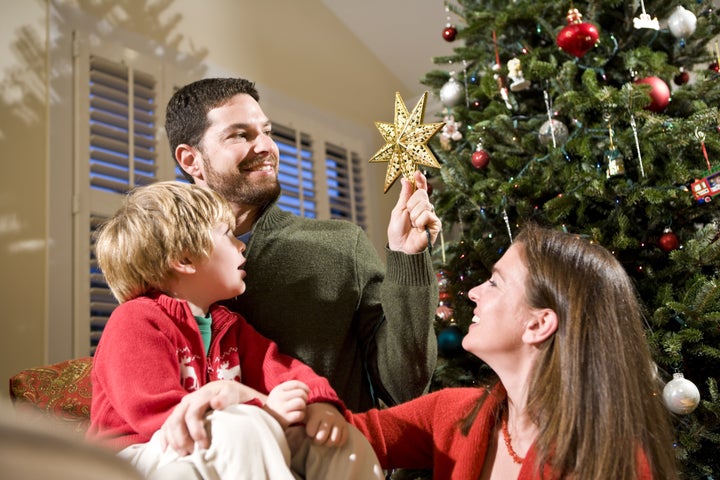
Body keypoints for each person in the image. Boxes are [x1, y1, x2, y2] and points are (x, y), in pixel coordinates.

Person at [165, 77, 442, 412]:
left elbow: (406, 387)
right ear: (190, 160)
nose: (267, 146)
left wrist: (407, 257)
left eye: (266, 131)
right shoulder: (163, 266)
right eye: (241, 134)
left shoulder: (341, 247)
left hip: (331, 454)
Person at [87, 181, 383, 480]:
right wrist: (264, 406)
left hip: (213, 448)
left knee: (337, 442)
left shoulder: (229, 326)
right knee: (241, 424)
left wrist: (319, 405)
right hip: (136, 459)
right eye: (227, 234)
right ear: (184, 259)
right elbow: (168, 419)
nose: (242, 245)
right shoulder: (134, 320)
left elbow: (283, 369)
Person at [344, 223, 679, 479]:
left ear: (538, 324)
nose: (473, 292)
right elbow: (343, 436)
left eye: (494, 282)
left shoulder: (616, 464)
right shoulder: (451, 414)